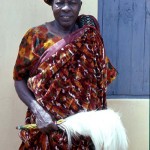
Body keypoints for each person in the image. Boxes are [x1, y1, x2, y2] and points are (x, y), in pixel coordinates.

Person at [13, 0, 117, 149]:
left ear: (80, 5)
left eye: (72, 3)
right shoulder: (36, 36)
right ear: (51, 4)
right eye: (60, 3)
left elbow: (100, 81)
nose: (66, 8)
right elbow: (19, 79)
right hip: (46, 128)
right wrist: (39, 112)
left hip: (82, 133)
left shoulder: (90, 39)